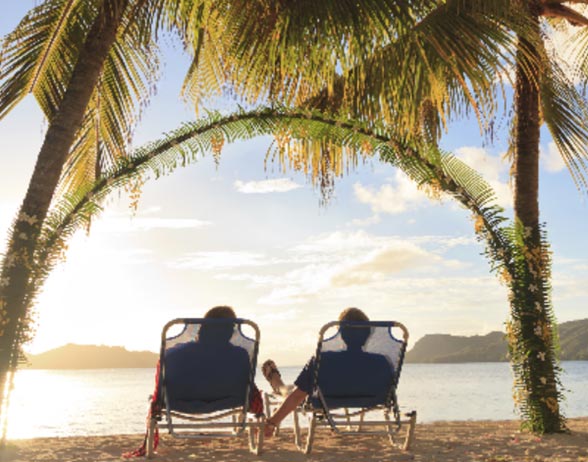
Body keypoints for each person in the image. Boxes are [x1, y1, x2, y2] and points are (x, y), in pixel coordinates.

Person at [123, 305, 263, 458]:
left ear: (203, 327)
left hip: (178, 401)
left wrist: (158, 402)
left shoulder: (172, 355)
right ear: (231, 331)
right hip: (228, 400)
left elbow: (161, 388)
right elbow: (248, 386)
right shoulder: (240, 356)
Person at [262, 307, 394, 438]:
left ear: (341, 334)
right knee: (301, 388)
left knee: (291, 390)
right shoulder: (383, 362)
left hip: (325, 400)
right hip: (371, 399)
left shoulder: (322, 360)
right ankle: (276, 381)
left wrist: (271, 422)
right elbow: (389, 389)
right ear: (368, 334)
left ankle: (276, 382)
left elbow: (297, 397)